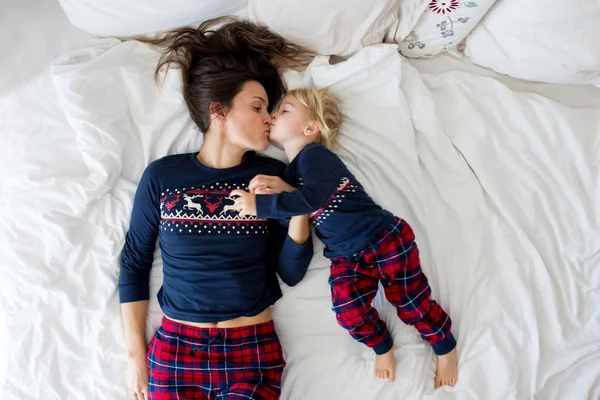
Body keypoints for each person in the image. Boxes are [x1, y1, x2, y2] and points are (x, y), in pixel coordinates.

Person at [120, 18, 316, 400]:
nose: (268, 118)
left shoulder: (273, 175)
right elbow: (134, 262)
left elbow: (290, 274)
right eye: (257, 106)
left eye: (269, 109)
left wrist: (297, 205)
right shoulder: (163, 176)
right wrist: (135, 356)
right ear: (219, 111)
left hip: (251, 351)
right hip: (175, 350)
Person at [233, 88, 459, 388]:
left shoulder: (315, 156)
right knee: (348, 312)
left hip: (382, 239)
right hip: (346, 257)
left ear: (311, 128)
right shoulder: (292, 172)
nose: (273, 115)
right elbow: (299, 211)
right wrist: (278, 193)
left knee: (410, 301)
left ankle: (445, 346)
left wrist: (258, 206)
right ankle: (381, 345)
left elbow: (311, 200)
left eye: (284, 110)